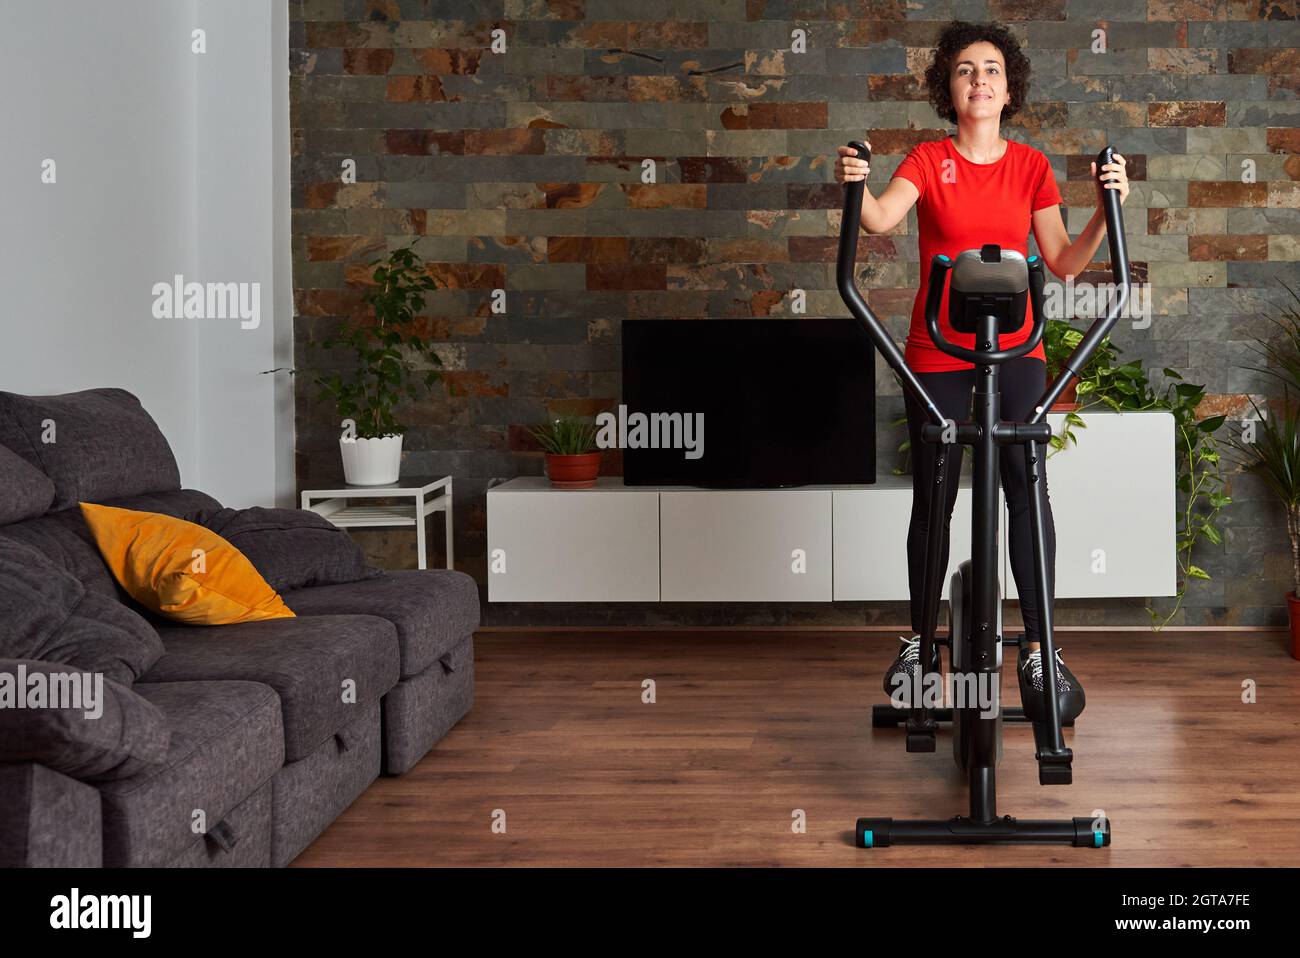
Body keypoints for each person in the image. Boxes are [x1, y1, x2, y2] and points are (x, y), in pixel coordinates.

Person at [833, 20, 1129, 720]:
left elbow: (1063, 259)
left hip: (1017, 348)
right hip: (937, 351)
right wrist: (856, 180)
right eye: (966, 70)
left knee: (1027, 482)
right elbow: (877, 220)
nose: (980, 80)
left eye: (991, 69)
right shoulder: (926, 159)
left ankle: (1040, 646)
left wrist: (1104, 207)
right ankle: (916, 641)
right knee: (934, 493)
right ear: (949, 86)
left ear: (1009, 86)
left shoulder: (1030, 166)